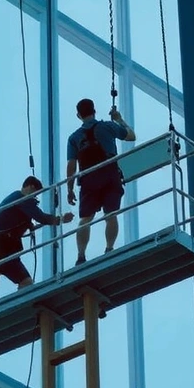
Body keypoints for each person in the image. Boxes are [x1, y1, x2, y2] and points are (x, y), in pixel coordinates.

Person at [0, 176, 74, 309]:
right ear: (30, 187)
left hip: (1, 247)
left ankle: (15, 308)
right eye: (35, 194)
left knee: (23, 282)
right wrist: (60, 219)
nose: (35, 198)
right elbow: (40, 217)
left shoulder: (16, 202)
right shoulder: (20, 198)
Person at [65, 98, 136, 265]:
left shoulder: (74, 138)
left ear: (78, 115)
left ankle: (81, 256)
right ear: (94, 111)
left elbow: (71, 165)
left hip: (89, 178)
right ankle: (109, 249)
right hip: (110, 173)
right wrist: (118, 119)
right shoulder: (107, 126)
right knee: (110, 214)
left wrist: (70, 189)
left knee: (85, 219)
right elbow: (131, 136)